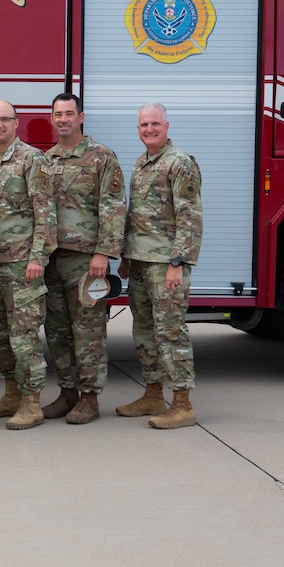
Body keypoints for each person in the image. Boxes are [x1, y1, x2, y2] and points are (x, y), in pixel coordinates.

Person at [116, 102, 203, 429]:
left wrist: (177, 262)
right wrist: (126, 255)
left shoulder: (180, 163)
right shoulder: (142, 163)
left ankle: (182, 403)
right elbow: (136, 214)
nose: (148, 129)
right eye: (143, 125)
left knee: (170, 332)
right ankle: (153, 393)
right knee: (144, 330)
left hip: (166, 264)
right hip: (140, 262)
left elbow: (189, 217)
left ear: (166, 126)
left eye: (154, 123)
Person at [42, 93, 126, 424]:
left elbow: (114, 206)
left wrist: (104, 253)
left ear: (81, 117)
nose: (63, 119)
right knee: (57, 329)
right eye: (57, 114)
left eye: (68, 114)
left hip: (87, 260)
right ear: (52, 119)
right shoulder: (46, 160)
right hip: (52, 260)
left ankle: (89, 397)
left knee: (87, 330)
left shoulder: (101, 157)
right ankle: (67, 393)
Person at [0, 100, 56, 430]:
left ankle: (31, 402)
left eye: (4, 119)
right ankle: (11, 394)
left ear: (16, 123)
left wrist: (39, 257)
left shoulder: (31, 159)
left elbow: (45, 212)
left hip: (24, 265)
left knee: (24, 338)